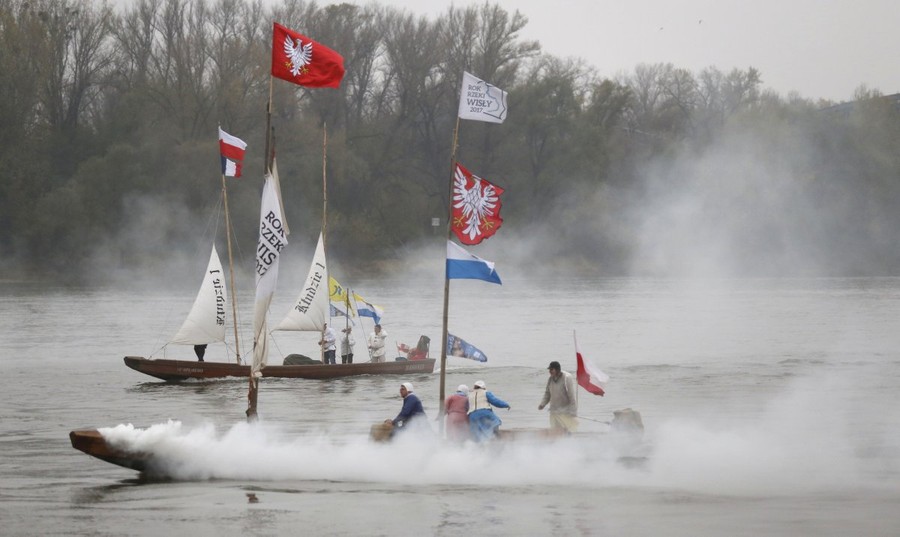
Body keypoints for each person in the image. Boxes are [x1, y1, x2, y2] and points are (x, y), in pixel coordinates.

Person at [538, 361, 578, 433]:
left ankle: (570, 442)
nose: (550, 371)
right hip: (554, 411)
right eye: (549, 370)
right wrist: (542, 404)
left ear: (557, 369)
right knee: (555, 432)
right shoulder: (550, 379)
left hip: (564, 412)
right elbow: (547, 394)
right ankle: (556, 444)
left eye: (551, 370)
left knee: (568, 431)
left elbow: (572, 397)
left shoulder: (566, 378)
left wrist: (573, 412)